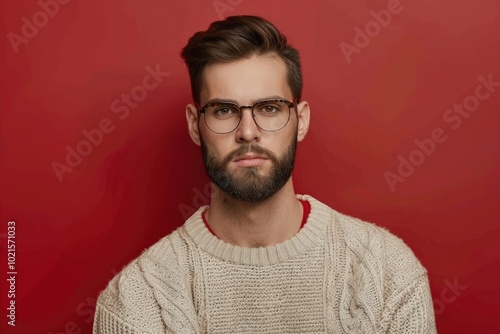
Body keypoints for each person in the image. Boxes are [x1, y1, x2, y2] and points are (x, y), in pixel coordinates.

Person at [93, 15, 436, 333]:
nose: (247, 132)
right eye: (224, 110)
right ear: (194, 126)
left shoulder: (388, 273)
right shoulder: (137, 299)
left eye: (269, 108)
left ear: (300, 120)